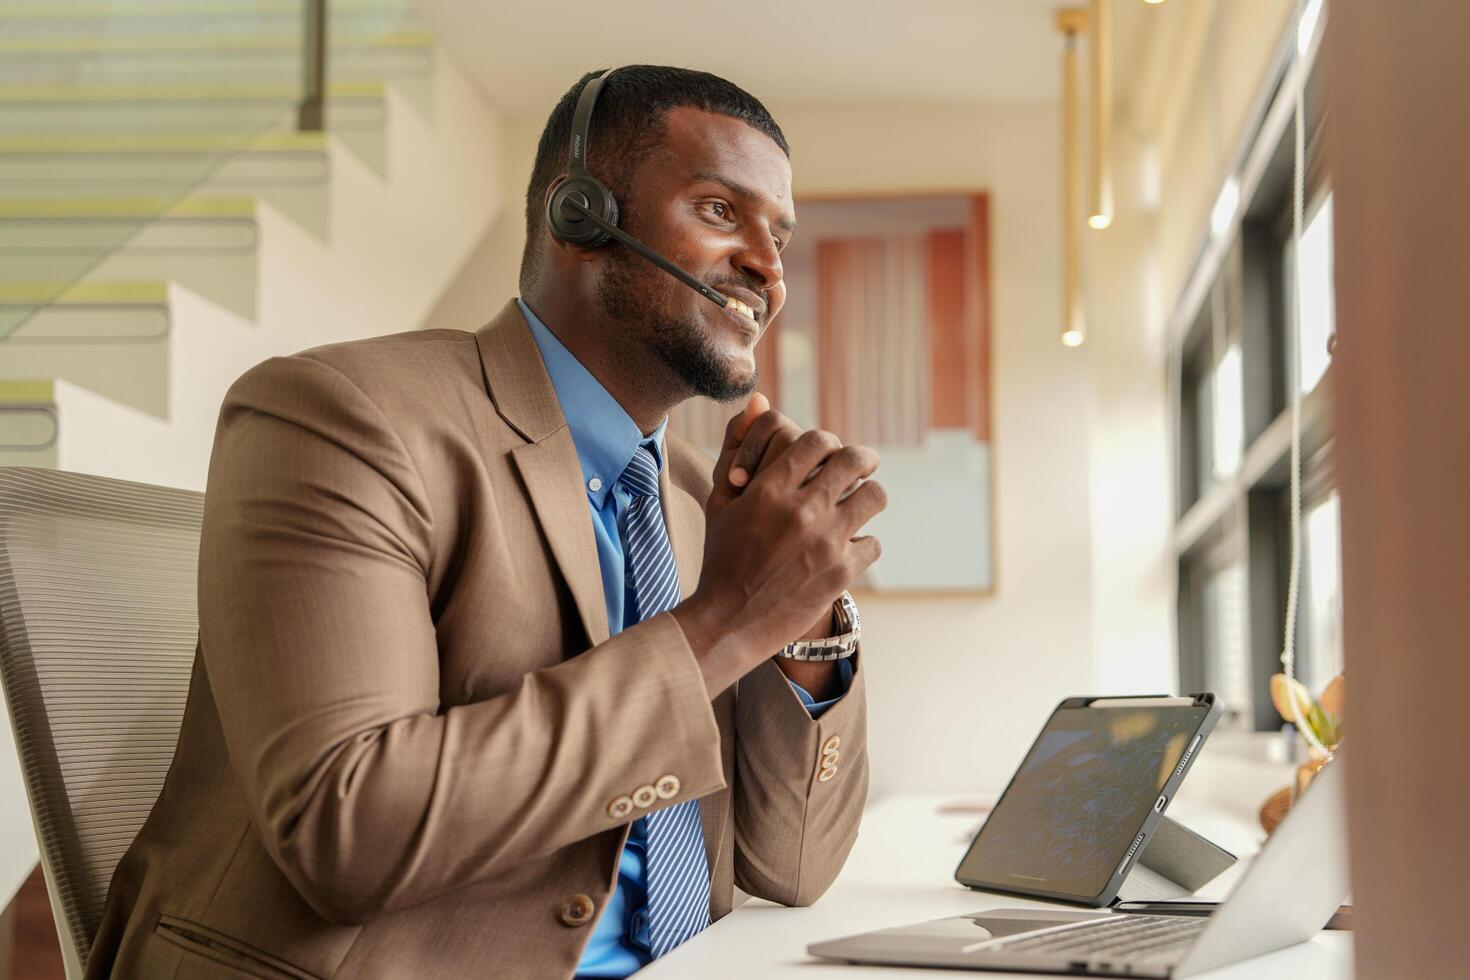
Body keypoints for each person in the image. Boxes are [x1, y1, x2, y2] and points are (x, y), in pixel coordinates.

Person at [87, 65, 885, 979]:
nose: (769, 268)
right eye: (719, 211)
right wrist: (728, 619)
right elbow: (349, 832)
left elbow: (793, 868)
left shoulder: (706, 504)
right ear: (580, 214)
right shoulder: (340, 415)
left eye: (779, 234)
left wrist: (803, 618)